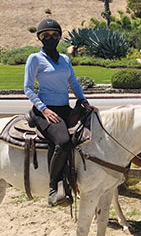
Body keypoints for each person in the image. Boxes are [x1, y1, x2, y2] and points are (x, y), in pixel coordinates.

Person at [24, 19, 96, 207]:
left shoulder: (65, 59)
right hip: (44, 109)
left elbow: (74, 83)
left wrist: (84, 102)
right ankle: (53, 187)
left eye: (54, 35)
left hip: (65, 107)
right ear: (39, 38)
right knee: (63, 142)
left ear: (59, 36)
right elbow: (28, 88)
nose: (50, 38)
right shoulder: (35, 58)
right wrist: (44, 109)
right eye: (45, 35)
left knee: (92, 129)